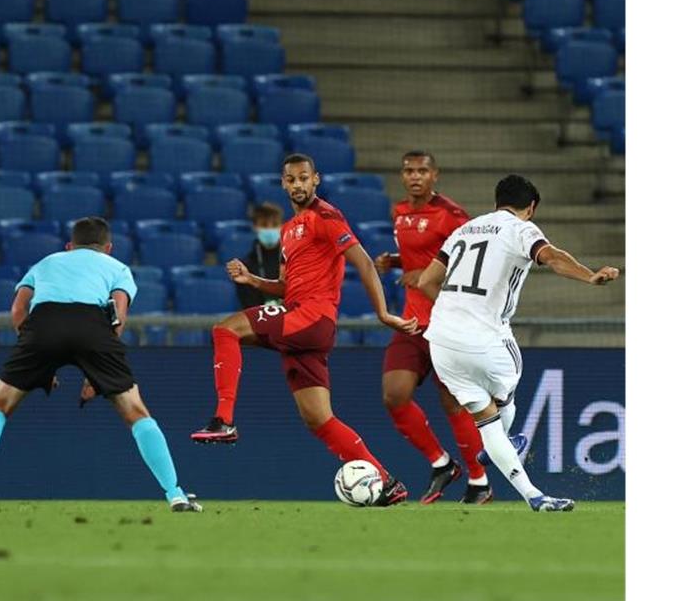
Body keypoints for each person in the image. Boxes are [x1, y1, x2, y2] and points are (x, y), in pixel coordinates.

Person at [0, 217, 202, 513]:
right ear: (108, 248)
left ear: (69, 246)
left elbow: (19, 309)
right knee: (135, 411)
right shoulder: (118, 268)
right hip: (93, 327)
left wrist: (38, 359)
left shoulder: (46, 262)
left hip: (43, 324)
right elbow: (118, 315)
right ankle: (176, 495)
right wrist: (97, 373)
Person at [191, 153, 419, 506]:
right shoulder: (287, 231)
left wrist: (384, 313)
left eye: (303, 178)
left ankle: (224, 420)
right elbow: (287, 286)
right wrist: (251, 279)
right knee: (318, 417)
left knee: (226, 329)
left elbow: (361, 260)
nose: (297, 185)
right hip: (303, 320)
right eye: (291, 179)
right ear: (283, 183)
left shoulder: (326, 216)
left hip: (310, 316)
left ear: (316, 180)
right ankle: (387, 482)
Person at [417, 174, 619, 512]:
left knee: (486, 419)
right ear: (531, 207)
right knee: (510, 376)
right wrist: (590, 275)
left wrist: (457, 308)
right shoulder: (519, 228)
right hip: (485, 338)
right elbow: (552, 257)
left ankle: (533, 495)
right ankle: (502, 441)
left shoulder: (464, 229)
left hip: (440, 339)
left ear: (496, 201)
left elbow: (425, 281)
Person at [374, 151, 496, 505]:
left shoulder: (452, 216)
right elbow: (422, 254)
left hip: (447, 322)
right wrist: (397, 262)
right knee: (394, 395)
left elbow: (473, 265)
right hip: (412, 323)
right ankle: (442, 463)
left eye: (422, 171)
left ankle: (479, 481)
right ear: (402, 175)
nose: (415, 177)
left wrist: (424, 274)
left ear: (435, 175)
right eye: (409, 171)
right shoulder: (399, 212)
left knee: (454, 404)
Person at [236, 202, 285, 309]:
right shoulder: (246, 265)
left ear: (282, 227)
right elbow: (247, 303)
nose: (269, 230)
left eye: (274, 225)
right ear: (255, 227)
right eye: (264, 225)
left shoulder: (294, 260)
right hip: (258, 320)